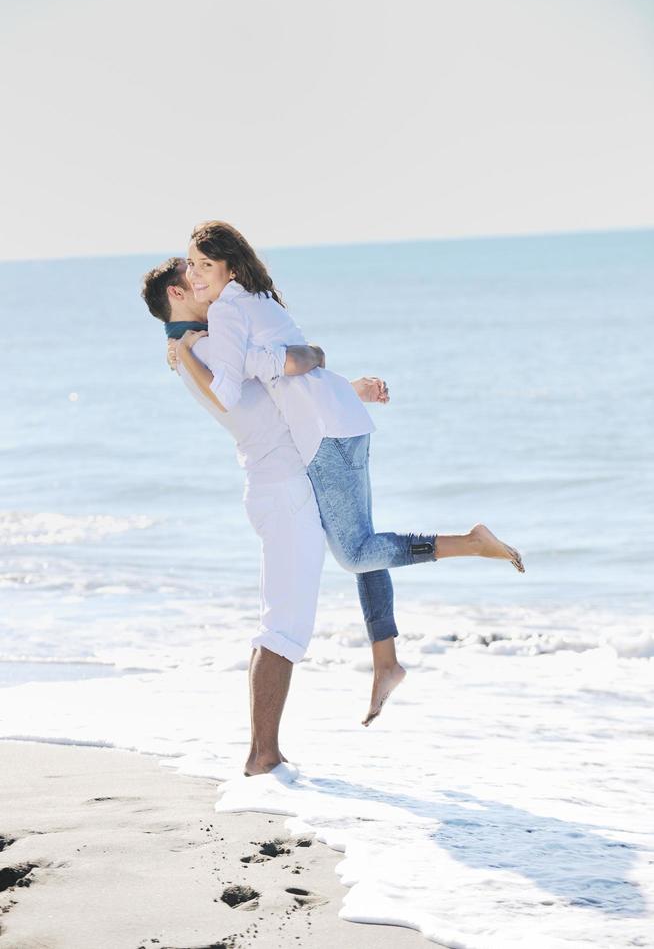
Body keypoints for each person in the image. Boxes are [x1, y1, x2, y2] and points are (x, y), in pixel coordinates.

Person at [176, 221, 525, 730]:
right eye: (192, 264)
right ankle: (386, 661)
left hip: (324, 438)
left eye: (206, 264)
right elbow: (298, 366)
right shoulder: (259, 299)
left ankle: (471, 543)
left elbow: (234, 387)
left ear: (230, 266)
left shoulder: (230, 307)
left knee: (356, 552)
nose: (197, 273)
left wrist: (188, 351)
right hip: (343, 424)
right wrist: (330, 376)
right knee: (366, 543)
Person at [141, 257, 388, 778]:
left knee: (294, 612)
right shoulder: (203, 348)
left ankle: (267, 749)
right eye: (195, 278)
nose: (206, 282)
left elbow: (277, 390)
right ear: (176, 294)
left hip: (278, 487)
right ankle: (262, 755)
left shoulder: (194, 348)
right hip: (283, 491)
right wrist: (315, 355)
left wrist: (345, 387)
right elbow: (288, 363)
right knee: (284, 628)